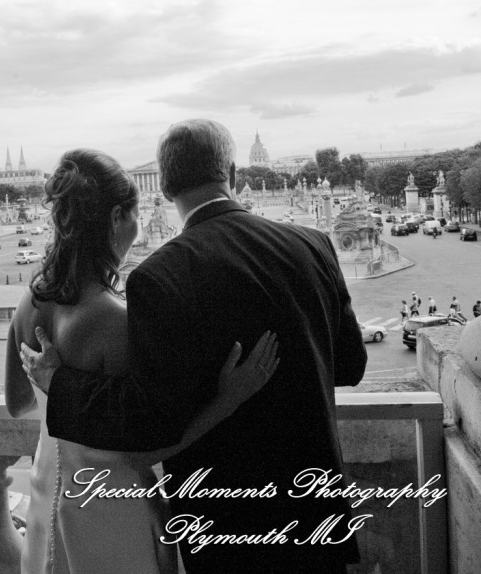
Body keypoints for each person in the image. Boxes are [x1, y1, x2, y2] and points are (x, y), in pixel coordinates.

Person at [21, 120, 366, 574]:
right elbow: (350, 365)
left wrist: (58, 383)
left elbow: (149, 421)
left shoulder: (160, 277)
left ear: (164, 188)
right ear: (234, 173)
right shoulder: (313, 244)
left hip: (223, 524)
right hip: (316, 511)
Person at [6, 148, 277, 574]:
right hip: (109, 500)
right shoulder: (117, 319)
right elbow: (145, 448)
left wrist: (55, 390)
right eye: (136, 212)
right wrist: (231, 395)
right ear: (117, 218)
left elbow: (17, 403)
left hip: (46, 491)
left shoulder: (32, 297)